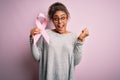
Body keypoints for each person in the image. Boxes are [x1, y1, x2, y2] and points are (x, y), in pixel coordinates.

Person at [30, 2, 89, 80]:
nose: (60, 22)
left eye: (63, 18)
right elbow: (37, 57)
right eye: (56, 19)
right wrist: (32, 38)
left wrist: (80, 40)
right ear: (52, 20)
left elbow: (76, 61)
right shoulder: (45, 34)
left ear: (67, 18)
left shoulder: (74, 37)